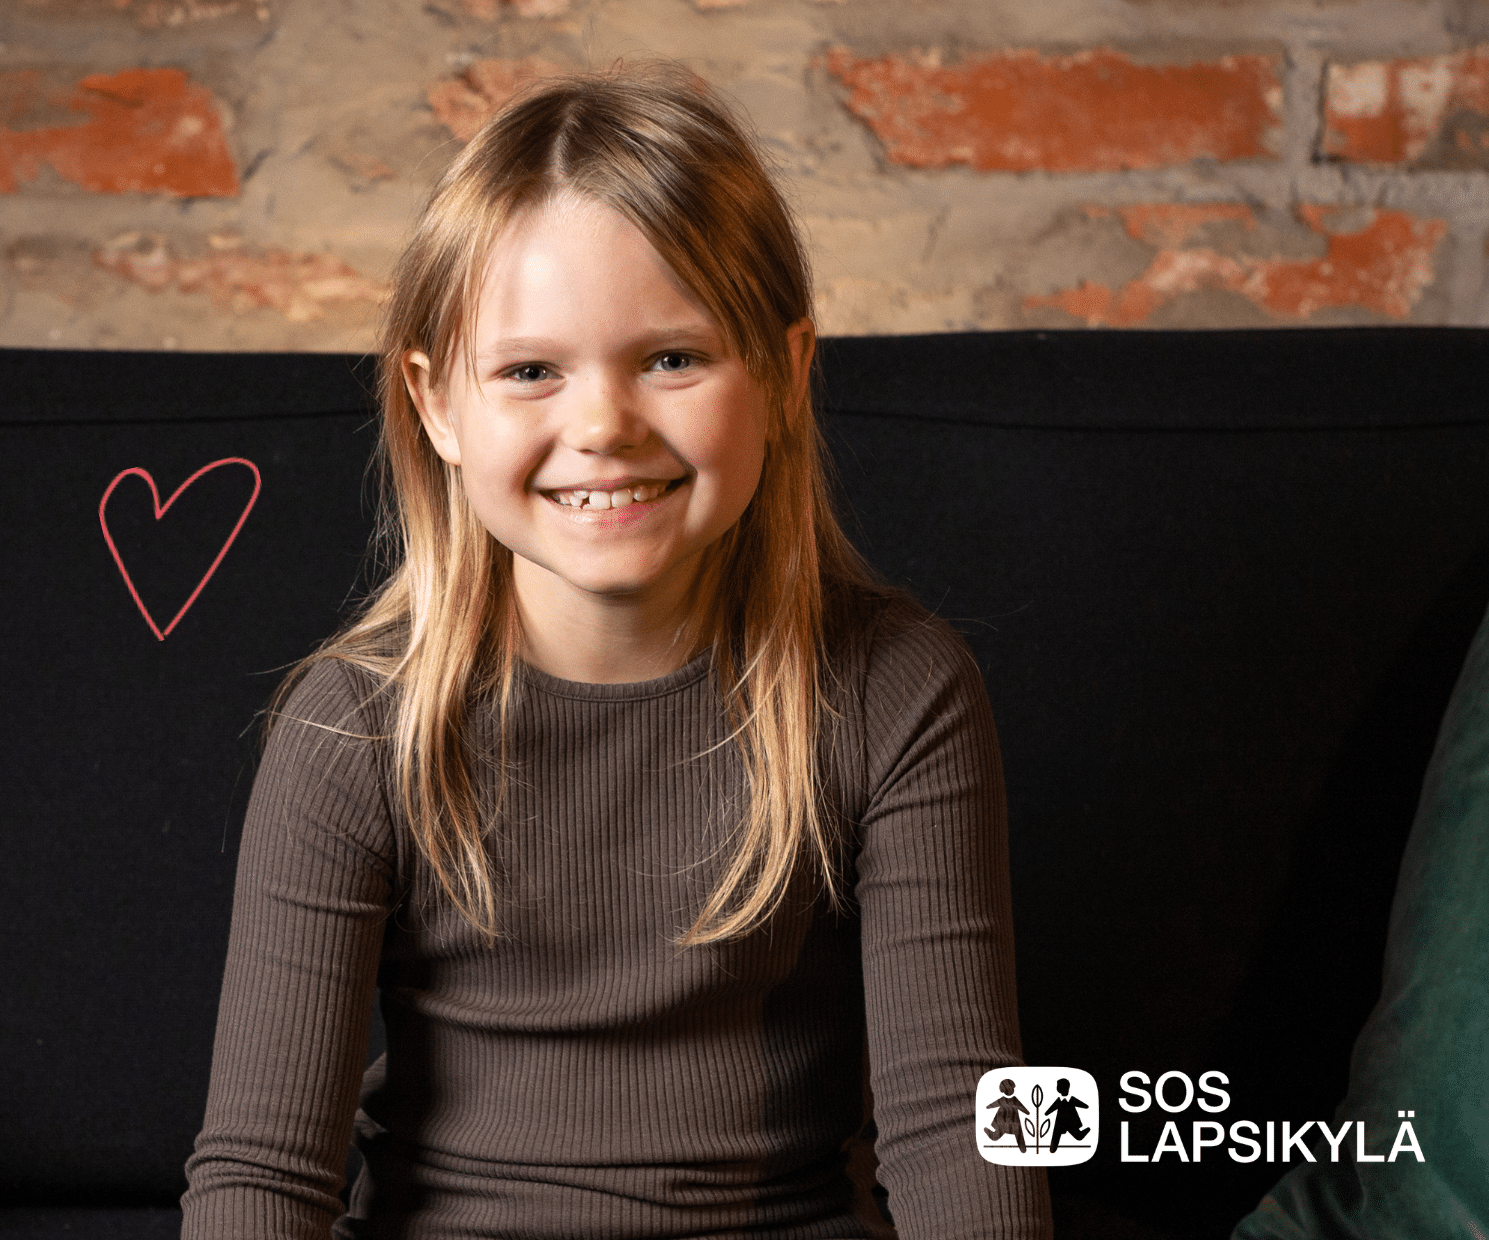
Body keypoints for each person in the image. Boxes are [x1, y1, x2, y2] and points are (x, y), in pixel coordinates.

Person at [181, 63, 1050, 1239]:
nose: (601, 425)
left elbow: (960, 1127)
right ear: (435, 405)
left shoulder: (895, 688)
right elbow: (262, 1174)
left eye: (671, 358)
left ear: (784, 374)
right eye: (529, 370)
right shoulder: (353, 726)